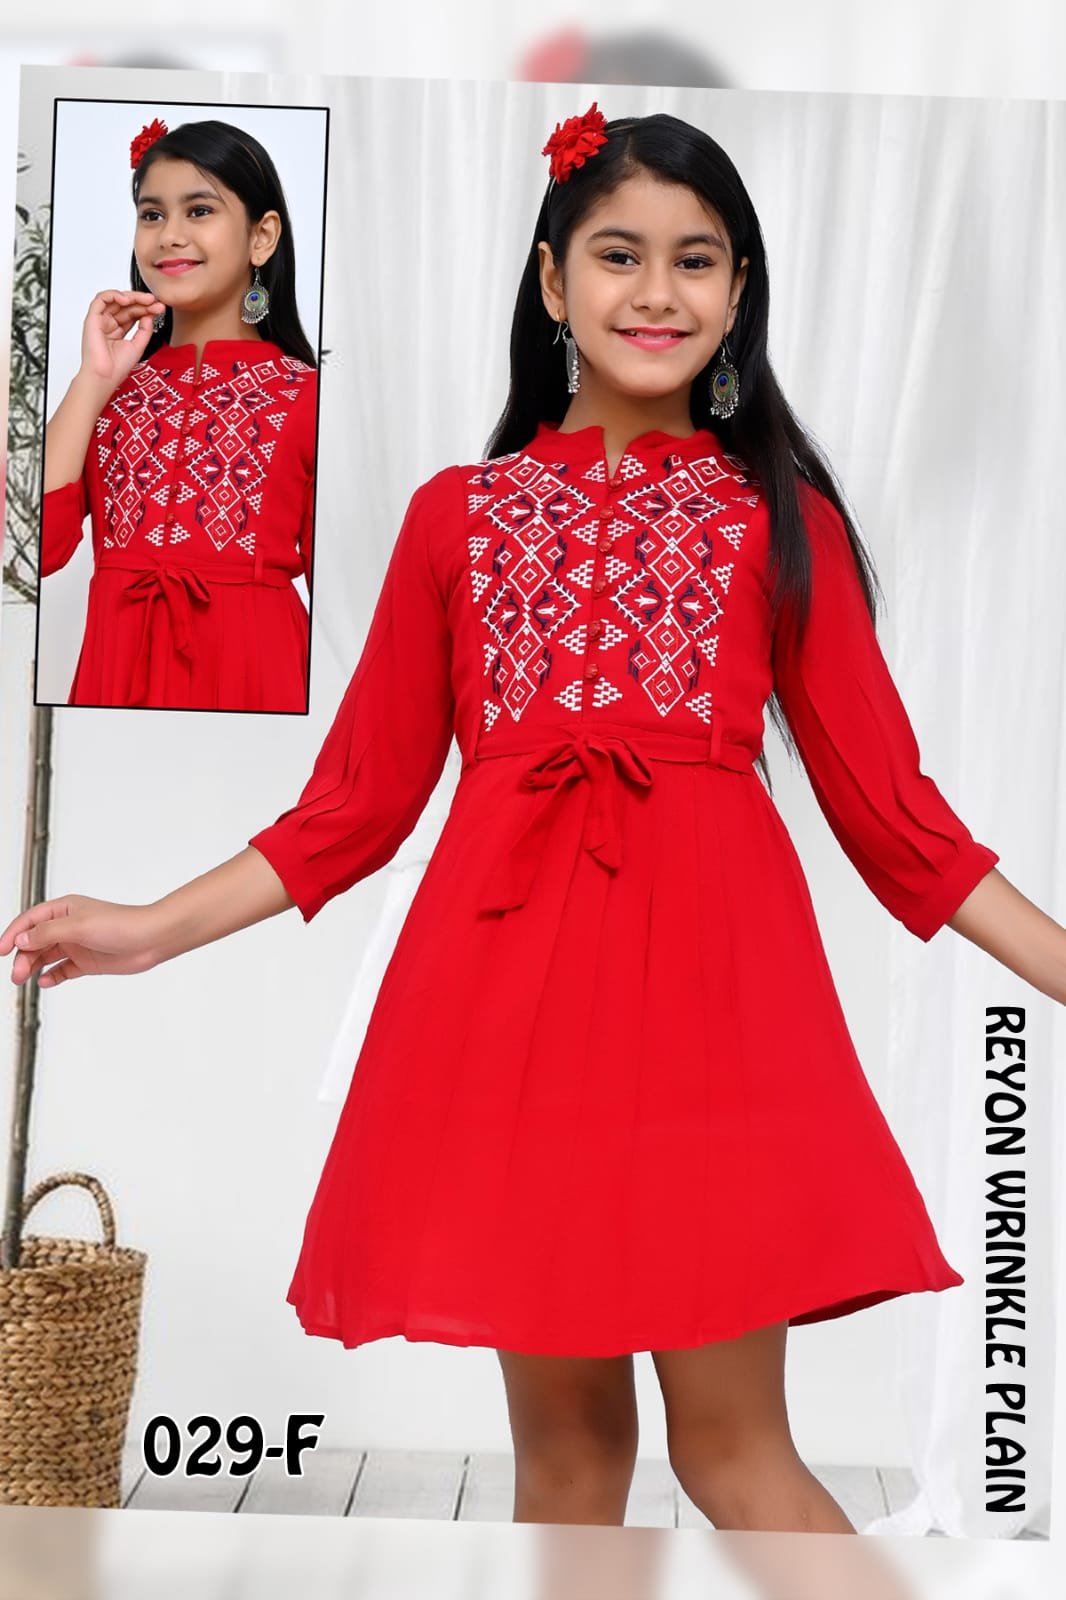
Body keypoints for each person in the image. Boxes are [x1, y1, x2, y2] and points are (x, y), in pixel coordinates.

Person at [4, 105, 1065, 1536]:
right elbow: (354, 806)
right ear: (554, 281)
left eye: (696, 260)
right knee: (564, 1470)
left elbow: (898, 824)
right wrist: (147, 928)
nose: (656, 292)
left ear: (738, 292)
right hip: (503, 1017)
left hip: (716, 1019)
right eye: (618, 254)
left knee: (734, 1455)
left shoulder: (780, 521)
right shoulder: (455, 517)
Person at [39, 116, 319, 712]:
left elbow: (346, 599)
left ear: (262, 236)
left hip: (256, 681)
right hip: (114, 681)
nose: (169, 235)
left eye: (199, 210)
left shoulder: (308, 396)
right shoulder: (110, 395)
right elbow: (37, 548)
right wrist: (91, 382)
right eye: (151, 214)